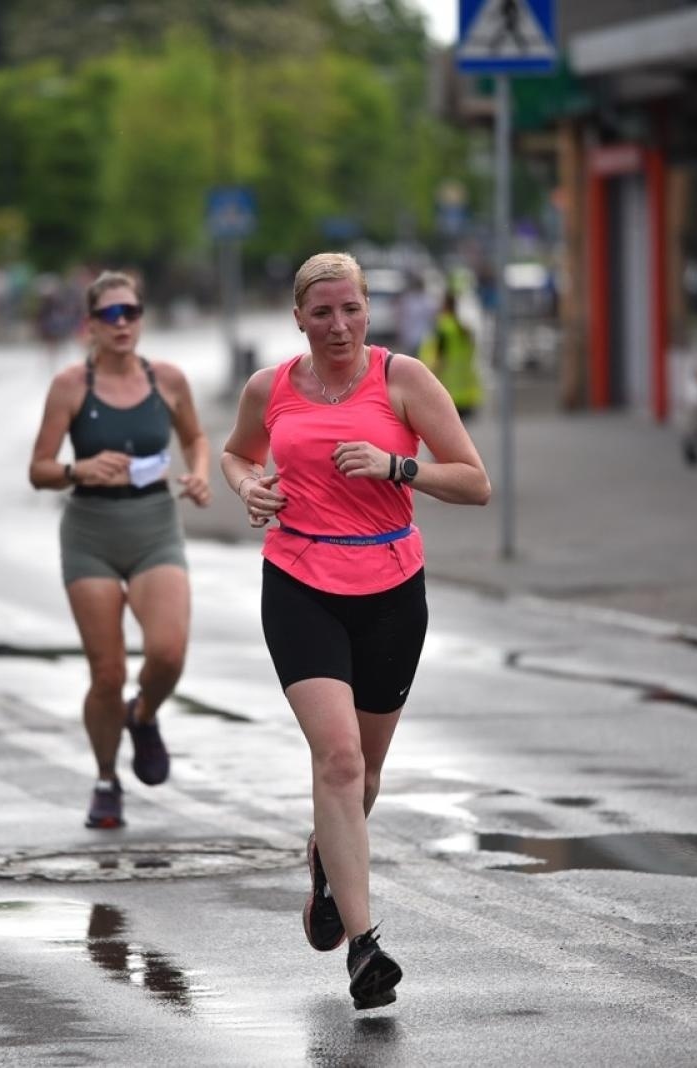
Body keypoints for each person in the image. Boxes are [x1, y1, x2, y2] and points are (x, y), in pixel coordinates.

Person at [219, 252, 489, 1010]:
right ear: (298, 319)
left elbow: (474, 481)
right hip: (300, 583)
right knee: (336, 759)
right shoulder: (268, 388)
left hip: (392, 591)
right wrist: (251, 487)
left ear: (369, 311)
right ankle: (366, 951)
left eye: (351, 310)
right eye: (322, 313)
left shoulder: (404, 380)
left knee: (363, 778)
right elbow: (238, 453)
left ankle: (324, 862)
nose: (338, 325)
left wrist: (397, 467)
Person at [27, 270, 212, 829]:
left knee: (168, 653)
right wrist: (75, 468)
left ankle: (146, 713)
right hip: (91, 531)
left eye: (130, 312)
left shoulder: (169, 380)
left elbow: (196, 439)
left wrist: (199, 474)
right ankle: (106, 780)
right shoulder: (70, 386)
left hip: (155, 523)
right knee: (106, 672)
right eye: (110, 315)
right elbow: (38, 469)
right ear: (90, 325)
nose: (122, 322)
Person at [417, 291, 482, 417]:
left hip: (447, 391)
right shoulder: (464, 329)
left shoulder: (444, 328)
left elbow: (438, 358)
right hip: (467, 392)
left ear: (445, 306)